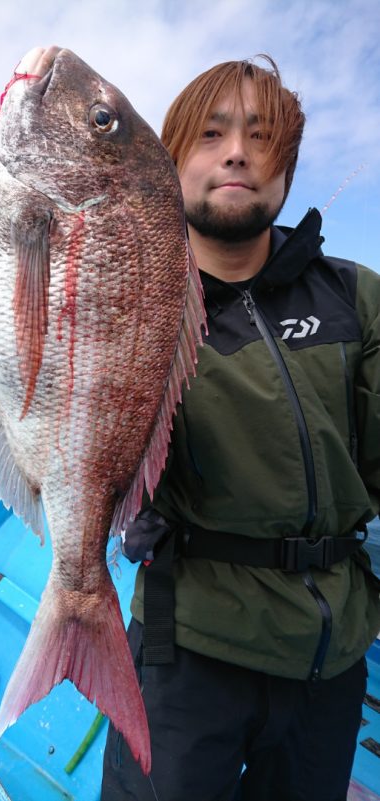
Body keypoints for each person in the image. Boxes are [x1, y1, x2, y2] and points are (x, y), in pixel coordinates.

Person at [101, 55, 380, 801]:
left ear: (285, 169)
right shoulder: (130, 303)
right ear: (169, 163)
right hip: (187, 650)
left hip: (333, 655)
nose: (236, 152)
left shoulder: (357, 295)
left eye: (261, 138)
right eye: (212, 134)